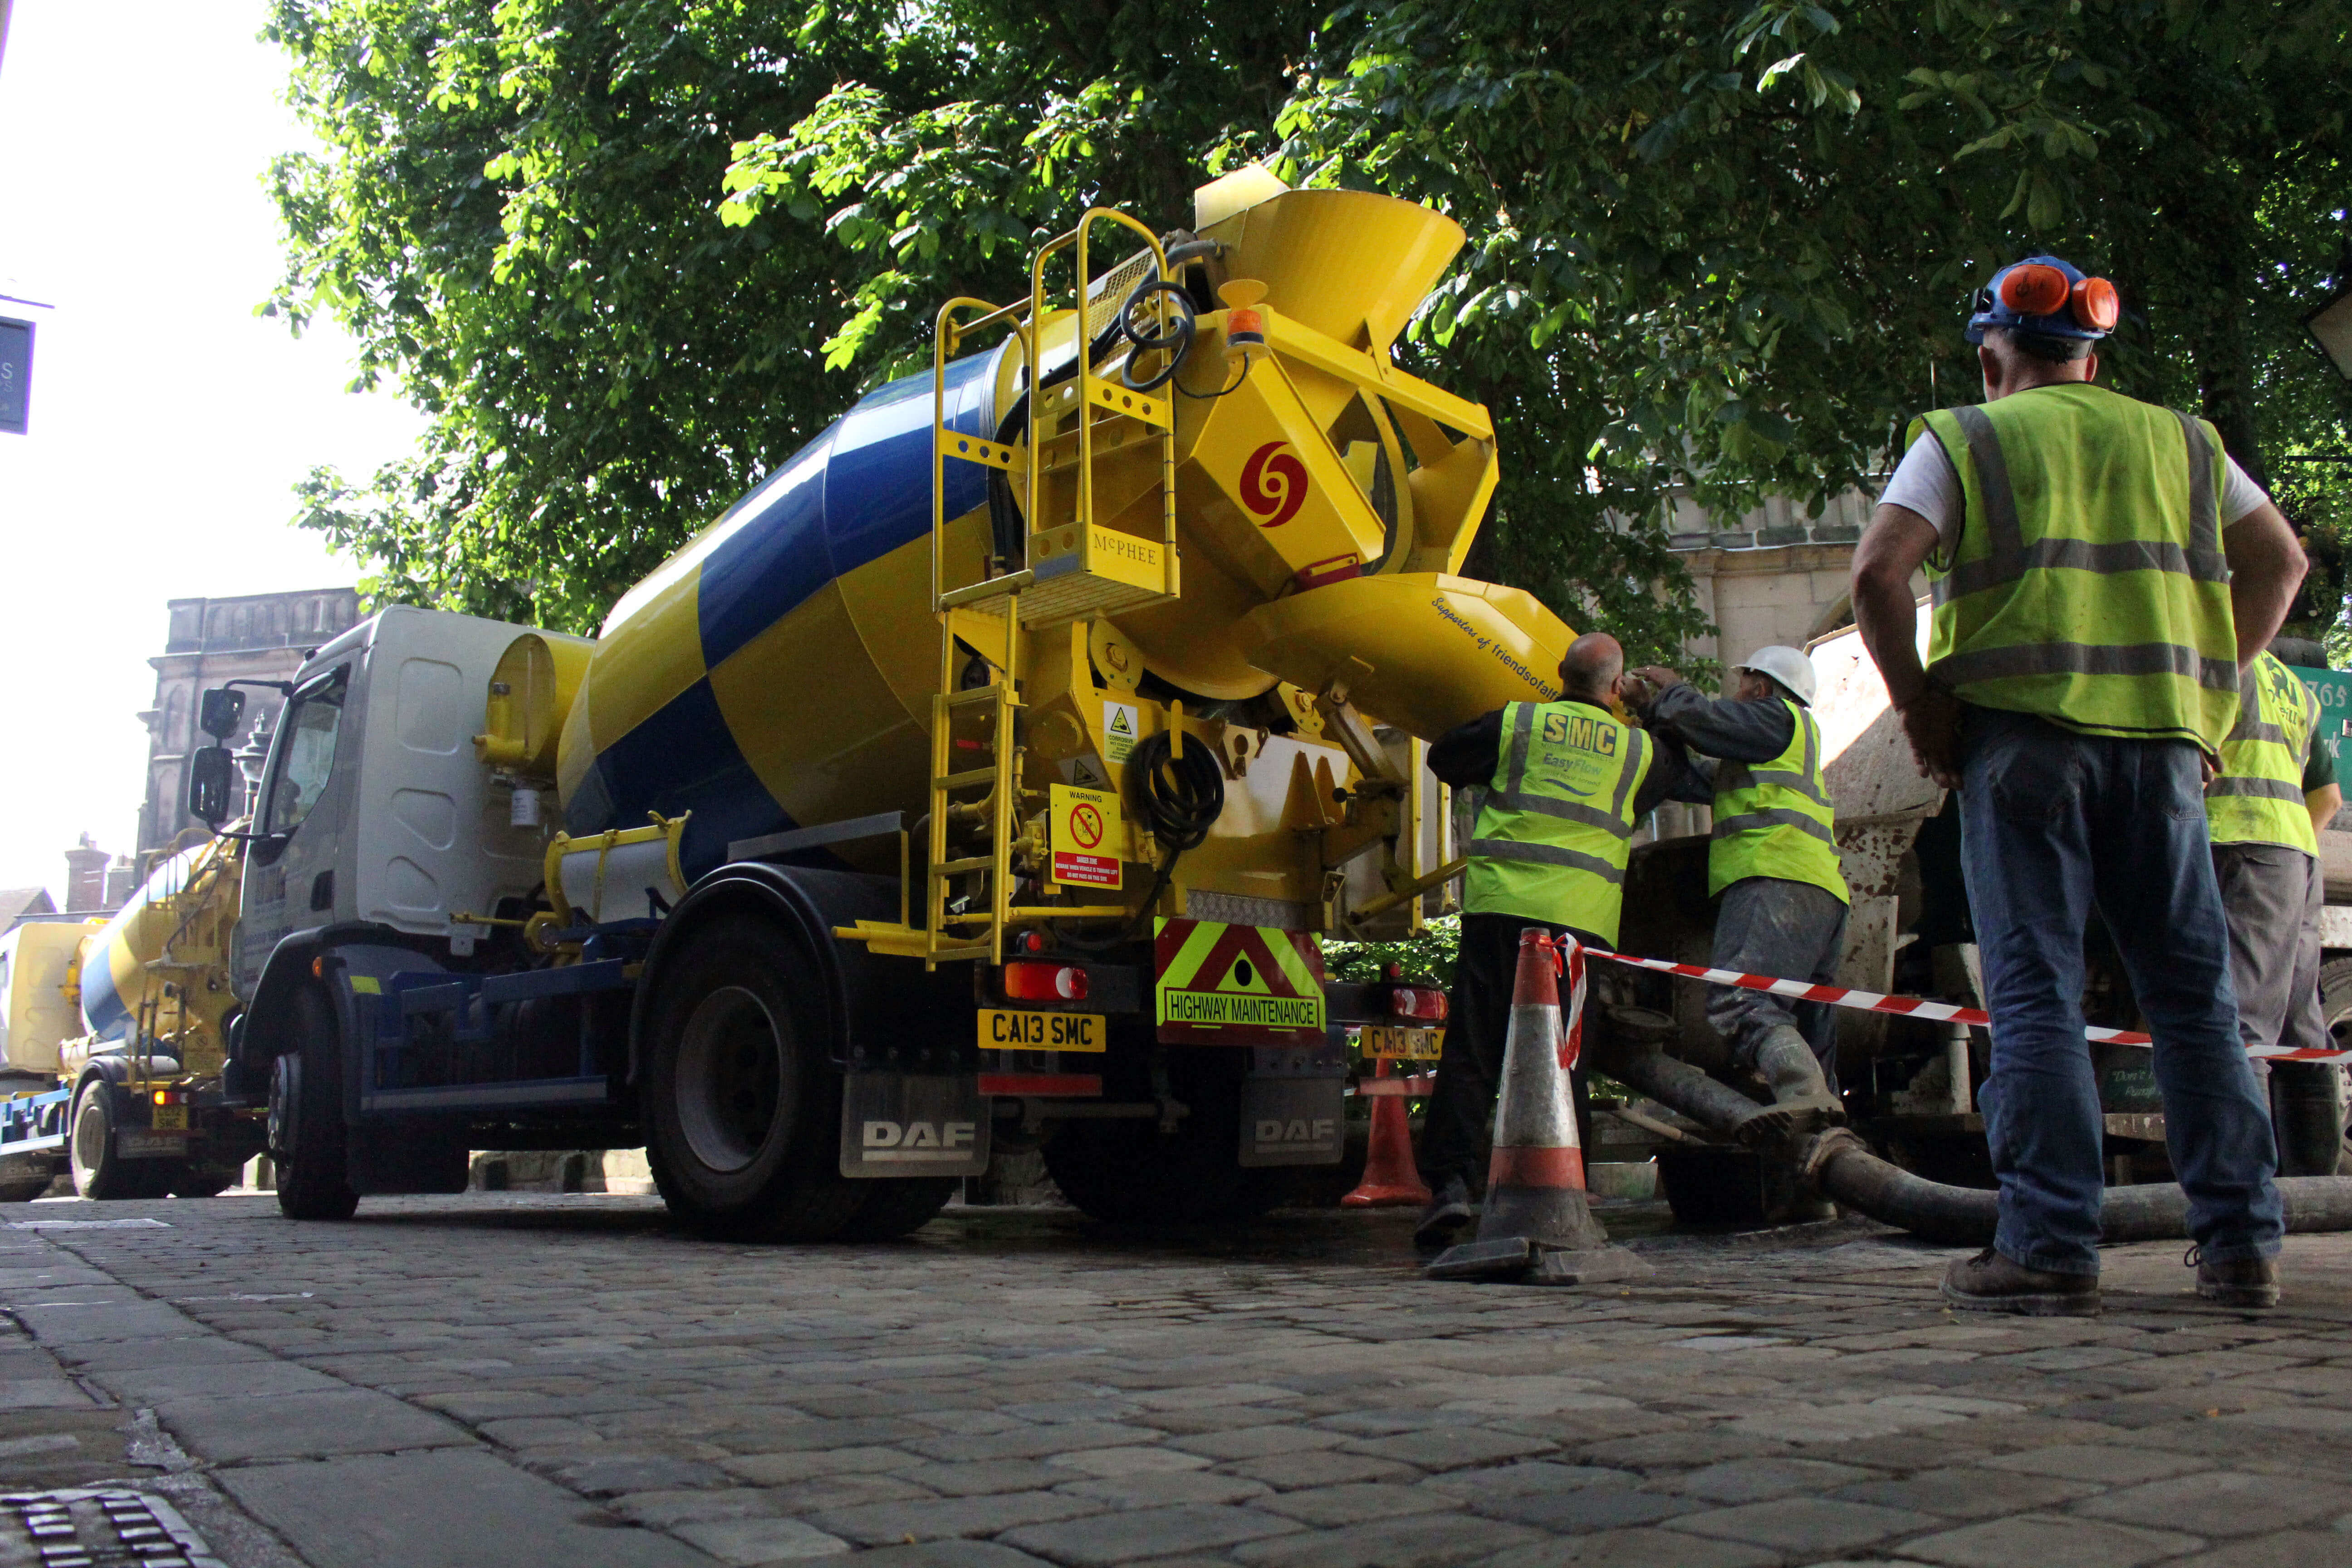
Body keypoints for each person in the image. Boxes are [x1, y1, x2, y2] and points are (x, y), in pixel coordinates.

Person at [1849, 253, 2307, 1314]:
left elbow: (1879, 572)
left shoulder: (1965, 435)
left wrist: (1919, 706)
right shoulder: (2182, 441)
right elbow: (2278, 561)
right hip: (2158, 753)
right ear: (2092, 356)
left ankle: (2049, 1244)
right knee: (2193, 1001)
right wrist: (2211, 691)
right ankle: (2240, 1245)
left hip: (2023, 749)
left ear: (1988, 353)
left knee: (2033, 992)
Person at [1414, 632, 1707, 1247]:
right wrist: (1660, 702)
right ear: (1616, 686)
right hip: (1577, 925)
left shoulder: (1520, 724)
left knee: (1473, 1046)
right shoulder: (1636, 752)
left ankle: (1452, 1188)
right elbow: (1694, 776)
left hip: (1500, 910)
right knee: (1562, 1056)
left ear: (1559, 673)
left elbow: (1444, 757)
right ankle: (1558, 1187)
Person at [1630, 647, 1852, 1139]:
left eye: (1743, 680)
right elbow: (1689, 776)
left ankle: (1803, 1096)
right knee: (1810, 1030)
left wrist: (1671, 689)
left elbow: (1703, 719)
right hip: (1818, 891)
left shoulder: (1777, 719)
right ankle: (1827, 1169)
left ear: (1763, 686)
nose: (1736, 690)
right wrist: (1652, 712)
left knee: (1741, 1000)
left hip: (1774, 876)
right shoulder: (1771, 749)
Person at [2209, 648, 2347, 1175]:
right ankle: (2317, 1192)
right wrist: (2290, 857)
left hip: (2234, 841)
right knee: (2300, 1028)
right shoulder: (2294, 686)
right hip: (2294, 856)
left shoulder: (2221, 658)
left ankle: (2243, 1192)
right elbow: (2329, 796)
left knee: (2241, 1026)